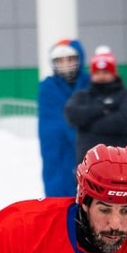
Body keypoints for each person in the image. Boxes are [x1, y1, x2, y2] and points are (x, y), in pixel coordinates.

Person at [64, 47, 127, 165]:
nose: (101, 76)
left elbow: (125, 122)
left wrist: (89, 125)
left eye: (105, 72)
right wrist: (102, 110)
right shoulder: (82, 96)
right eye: (97, 73)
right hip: (88, 166)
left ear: (113, 73)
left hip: (120, 164)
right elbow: (72, 114)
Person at [38, 38, 90, 198]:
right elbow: (49, 125)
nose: (66, 65)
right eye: (60, 61)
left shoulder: (90, 83)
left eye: (70, 59)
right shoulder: (48, 87)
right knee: (59, 198)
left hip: (87, 152)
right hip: (58, 154)